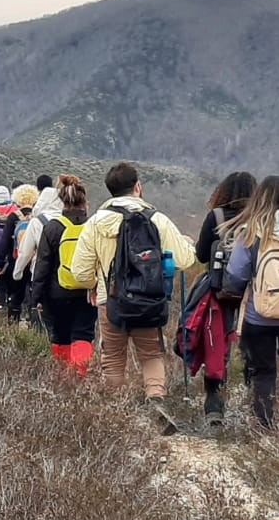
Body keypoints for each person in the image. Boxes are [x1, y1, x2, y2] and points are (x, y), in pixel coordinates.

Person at [70, 162, 197, 412]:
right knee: (151, 354)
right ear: (138, 187)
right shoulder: (157, 219)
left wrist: (96, 286)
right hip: (148, 300)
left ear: (110, 190)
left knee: (113, 358)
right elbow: (184, 260)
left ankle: (116, 410)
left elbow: (80, 272)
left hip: (110, 301)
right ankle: (156, 401)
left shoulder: (95, 223)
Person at [222, 175, 279, 428]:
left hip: (259, 317)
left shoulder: (251, 232)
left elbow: (236, 275)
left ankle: (264, 426)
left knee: (263, 373)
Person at [194, 172, 256, 425]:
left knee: (216, 346)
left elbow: (201, 254)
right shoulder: (259, 218)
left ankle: (214, 404)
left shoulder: (216, 216)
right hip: (253, 293)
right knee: (254, 348)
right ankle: (257, 405)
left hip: (220, 291)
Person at [26, 174, 96, 376]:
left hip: (56, 293)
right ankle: (80, 377)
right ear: (85, 201)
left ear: (63, 201)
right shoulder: (93, 227)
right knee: (83, 335)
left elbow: (42, 266)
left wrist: (36, 298)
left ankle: (63, 379)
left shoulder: (52, 227)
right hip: (87, 292)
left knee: (60, 335)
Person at [14, 175, 61, 324]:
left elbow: (25, 252)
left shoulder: (37, 222)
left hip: (41, 274)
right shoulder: (68, 219)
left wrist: (17, 273)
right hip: (66, 275)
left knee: (44, 319)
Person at [0, 184, 40, 322]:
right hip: (35, 262)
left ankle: (13, 322)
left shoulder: (13, 217)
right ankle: (33, 321)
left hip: (16, 261)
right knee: (34, 293)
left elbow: (5, 241)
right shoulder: (38, 217)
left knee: (16, 294)